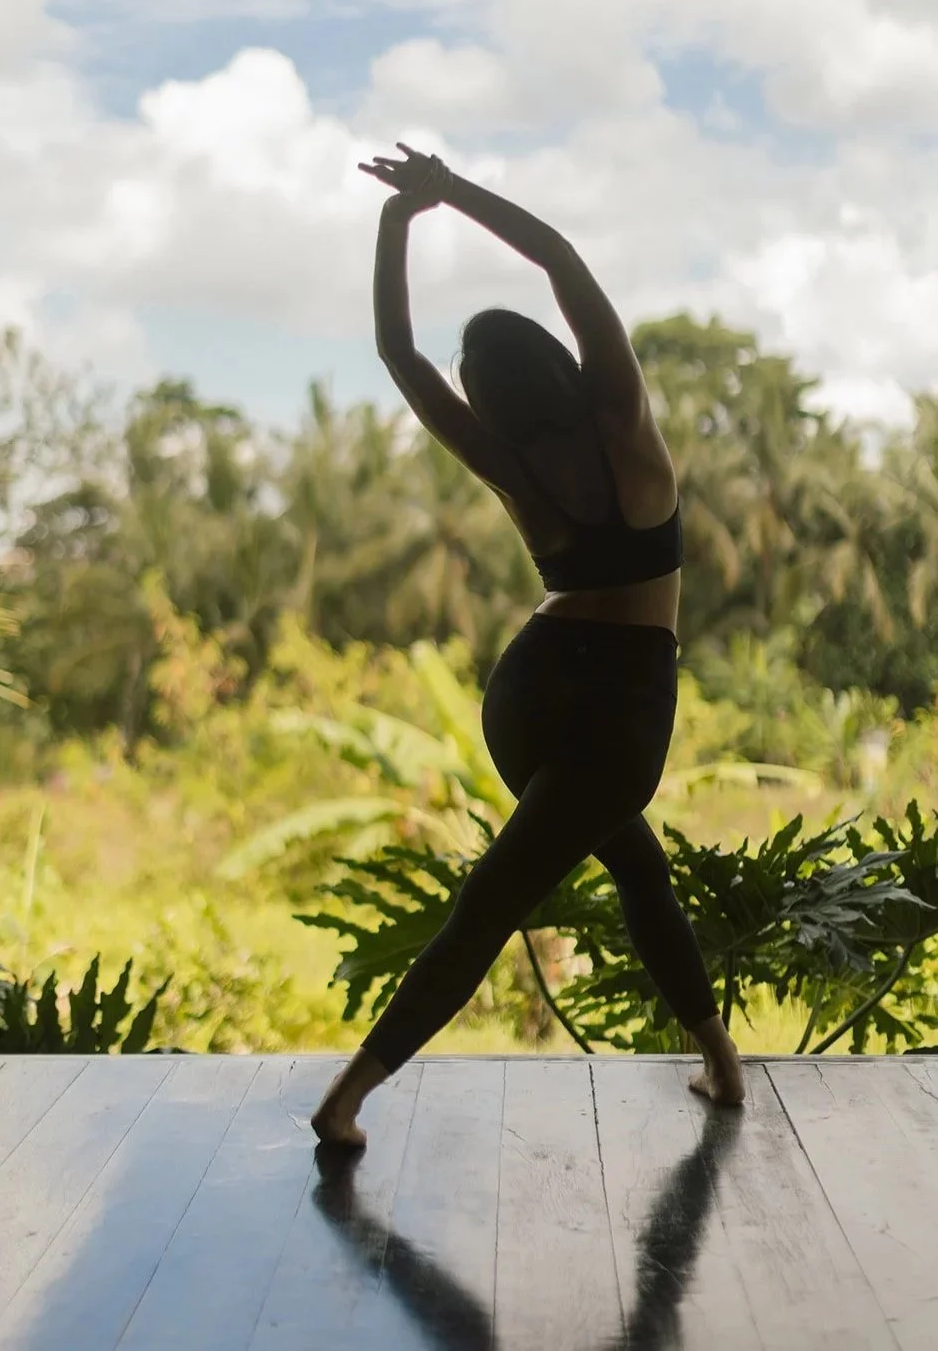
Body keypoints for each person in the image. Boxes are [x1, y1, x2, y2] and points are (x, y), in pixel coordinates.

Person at [311, 144, 744, 1148]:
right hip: (623, 713)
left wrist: (394, 224)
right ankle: (347, 1099)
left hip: (528, 697)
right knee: (495, 900)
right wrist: (445, 191)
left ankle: (719, 1063)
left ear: (488, 396)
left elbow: (398, 355)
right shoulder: (622, 424)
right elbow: (555, 257)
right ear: (558, 364)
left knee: (634, 868)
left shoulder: (510, 466)